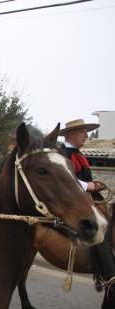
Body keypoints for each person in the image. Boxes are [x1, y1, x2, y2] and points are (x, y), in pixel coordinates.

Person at [59, 119, 115, 286]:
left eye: (86, 132)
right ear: (70, 135)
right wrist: (86, 185)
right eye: (82, 132)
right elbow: (63, 179)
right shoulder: (62, 154)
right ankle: (109, 275)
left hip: (87, 197)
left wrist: (93, 184)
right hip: (73, 200)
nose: (86, 135)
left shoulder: (79, 154)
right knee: (101, 226)